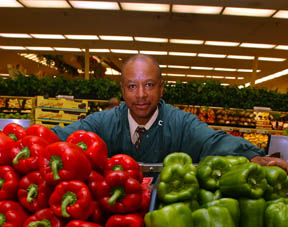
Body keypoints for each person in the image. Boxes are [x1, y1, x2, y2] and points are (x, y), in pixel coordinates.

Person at [52, 54, 288, 171]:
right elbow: (63, 137)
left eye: (150, 85)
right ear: (123, 90)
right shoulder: (104, 122)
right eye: (133, 86)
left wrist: (253, 157)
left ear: (161, 88)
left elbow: (212, 141)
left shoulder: (180, 123)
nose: (141, 95)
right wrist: (25, 140)